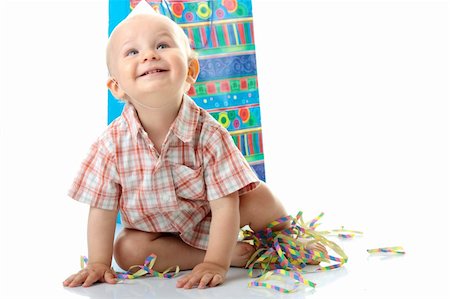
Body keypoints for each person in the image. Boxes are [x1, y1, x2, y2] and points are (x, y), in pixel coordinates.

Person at [63, 1, 326, 290]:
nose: (149, 55)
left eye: (162, 46)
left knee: (259, 197)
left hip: (213, 218)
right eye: (132, 52)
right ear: (117, 87)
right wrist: (99, 262)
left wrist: (216, 263)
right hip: (158, 235)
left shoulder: (210, 134)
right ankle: (232, 255)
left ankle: (287, 239)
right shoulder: (109, 146)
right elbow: (102, 208)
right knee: (127, 251)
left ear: (191, 70)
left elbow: (225, 206)